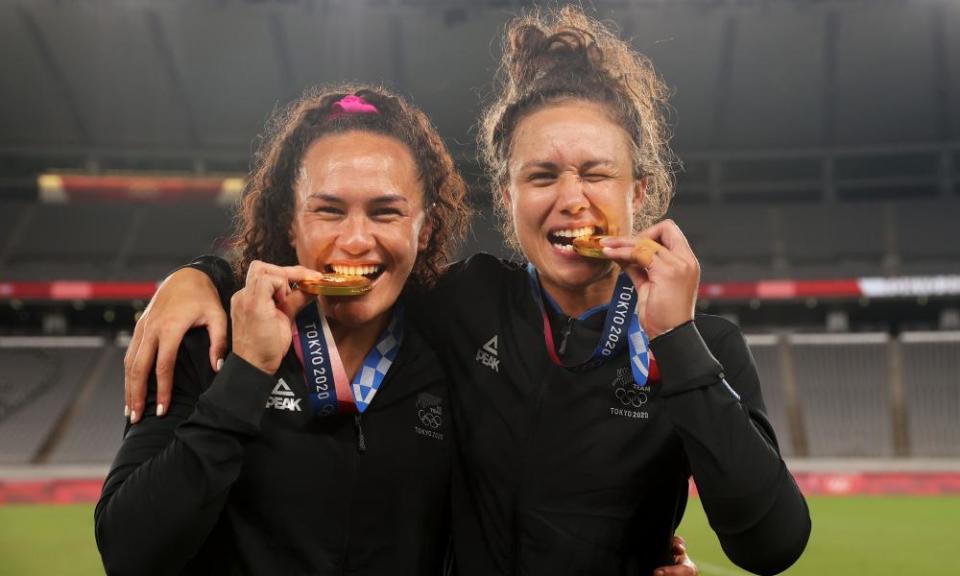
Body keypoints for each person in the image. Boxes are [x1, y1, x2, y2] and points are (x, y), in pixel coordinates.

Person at [122, 7, 809, 575]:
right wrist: (200, 276)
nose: (571, 199)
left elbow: (771, 544)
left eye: (596, 174)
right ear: (508, 200)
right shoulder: (463, 305)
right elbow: (352, 264)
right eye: (541, 176)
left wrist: (677, 341)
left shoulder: (703, 347)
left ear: (640, 193)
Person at [96, 86, 470, 574]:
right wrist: (246, 374)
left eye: (386, 212)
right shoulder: (208, 339)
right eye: (329, 210)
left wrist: (198, 271)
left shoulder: (457, 341)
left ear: (425, 226)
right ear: (290, 224)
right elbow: (128, 552)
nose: (356, 239)